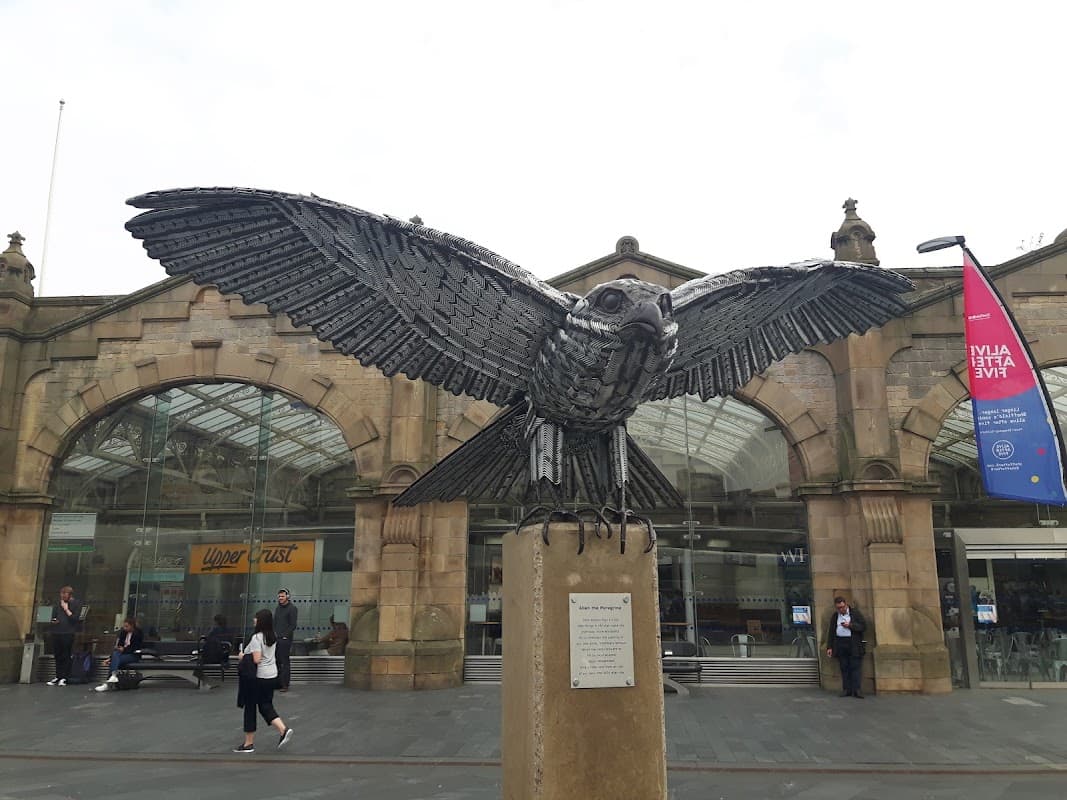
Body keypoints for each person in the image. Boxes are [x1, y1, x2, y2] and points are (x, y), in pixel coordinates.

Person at [233, 609, 294, 753]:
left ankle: (248, 744)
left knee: (250, 708)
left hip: (257, 678)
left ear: (261, 621)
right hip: (271, 676)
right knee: (265, 705)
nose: (254, 620)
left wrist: (242, 656)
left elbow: (256, 659)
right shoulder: (272, 636)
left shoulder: (257, 638)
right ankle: (283, 729)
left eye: (256, 618)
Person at [824, 596, 867, 698]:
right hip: (840, 643)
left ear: (846, 605)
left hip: (853, 643)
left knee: (855, 667)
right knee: (844, 667)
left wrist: (850, 625)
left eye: (842, 607)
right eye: (838, 608)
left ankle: (857, 690)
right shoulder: (835, 616)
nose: (841, 610)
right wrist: (829, 647)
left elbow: (863, 626)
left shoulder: (855, 613)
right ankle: (846, 689)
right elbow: (831, 632)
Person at [94, 617, 144, 692]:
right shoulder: (123, 633)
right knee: (115, 654)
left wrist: (124, 650)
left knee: (115, 660)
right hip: (121, 655)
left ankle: (108, 682)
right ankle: (112, 677)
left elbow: (136, 648)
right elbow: (119, 647)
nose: (125, 628)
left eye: (127, 626)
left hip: (133, 655)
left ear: (132, 626)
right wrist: (110, 658)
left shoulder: (138, 633)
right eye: (124, 626)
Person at [46, 586, 82, 686]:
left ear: (70, 595)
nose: (62, 596)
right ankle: (58, 675)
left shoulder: (76, 604)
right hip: (57, 632)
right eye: (61, 594)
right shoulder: (57, 604)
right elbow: (53, 616)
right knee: (58, 655)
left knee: (66, 655)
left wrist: (66, 609)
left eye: (65, 594)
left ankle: (65, 677)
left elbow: (75, 619)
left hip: (68, 632)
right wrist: (54, 621)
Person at [273, 588, 297, 692]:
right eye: (279, 596)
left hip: (285, 640)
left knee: (284, 662)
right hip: (276, 638)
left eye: (282, 596)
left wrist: (284, 636)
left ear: (287, 596)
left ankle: (285, 685)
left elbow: (293, 625)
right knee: (276, 661)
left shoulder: (292, 608)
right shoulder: (278, 608)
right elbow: (275, 622)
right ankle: (278, 683)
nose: (280, 598)